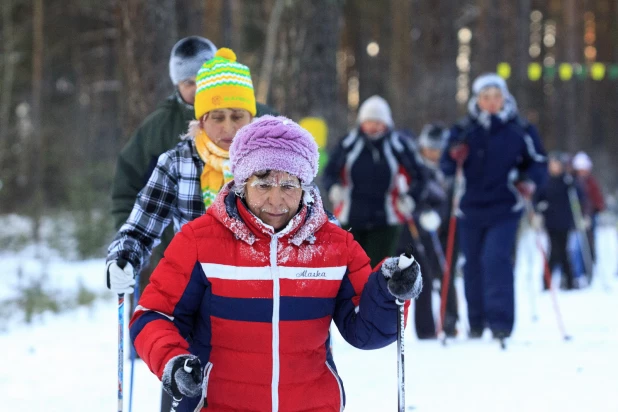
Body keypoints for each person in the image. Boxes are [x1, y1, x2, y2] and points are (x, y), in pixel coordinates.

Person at [129, 115, 423, 412]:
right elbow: (153, 315)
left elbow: (366, 330)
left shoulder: (334, 246)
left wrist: (389, 292)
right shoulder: (200, 241)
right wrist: (173, 361)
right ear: (243, 182)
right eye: (264, 183)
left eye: (289, 185)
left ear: (304, 186)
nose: (276, 200)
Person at [111, 37, 278, 295]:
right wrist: (125, 254)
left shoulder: (270, 146)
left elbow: (310, 215)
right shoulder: (166, 142)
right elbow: (138, 211)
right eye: (189, 82)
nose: (228, 127)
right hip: (189, 272)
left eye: (237, 116)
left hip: (259, 284)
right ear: (200, 120)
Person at [441, 73, 548, 340]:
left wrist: (528, 181)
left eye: (496, 97)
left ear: (505, 98)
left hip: (505, 206)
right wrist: (454, 156)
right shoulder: (464, 129)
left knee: (496, 260)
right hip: (470, 208)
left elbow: (538, 162)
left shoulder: (519, 128)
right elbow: (445, 164)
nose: (491, 103)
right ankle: (476, 322)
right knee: (473, 265)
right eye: (485, 97)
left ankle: (500, 322)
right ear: (477, 100)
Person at [323, 95, 427, 267]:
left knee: (377, 270)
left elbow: (420, 176)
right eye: (369, 122)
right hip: (351, 217)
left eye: (378, 122)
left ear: (387, 123)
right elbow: (329, 172)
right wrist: (333, 188)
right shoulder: (348, 143)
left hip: (386, 220)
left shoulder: (399, 146)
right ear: (361, 122)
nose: (373, 127)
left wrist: (411, 198)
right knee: (350, 269)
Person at [397, 123, 460, 338]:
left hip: (442, 228)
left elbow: (445, 199)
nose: (433, 153)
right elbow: (415, 197)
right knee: (424, 274)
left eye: (437, 149)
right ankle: (426, 329)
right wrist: (420, 212)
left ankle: (450, 321)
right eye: (429, 148)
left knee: (445, 272)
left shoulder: (446, 169)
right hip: (419, 229)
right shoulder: (415, 167)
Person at [535, 152, 583, 290]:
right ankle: (549, 282)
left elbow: (578, 196)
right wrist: (539, 209)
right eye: (552, 165)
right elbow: (538, 198)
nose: (554, 167)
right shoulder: (546, 181)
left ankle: (568, 281)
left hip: (564, 222)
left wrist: (572, 184)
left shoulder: (567, 181)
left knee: (563, 251)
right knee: (555, 251)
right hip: (551, 222)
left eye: (556, 165)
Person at [571, 151, 605, 283]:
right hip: (577, 217)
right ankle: (577, 272)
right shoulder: (573, 182)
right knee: (577, 246)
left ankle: (589, 270)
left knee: (589, 243)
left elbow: (597, 200)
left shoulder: (591, 182)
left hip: (590, 217)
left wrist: (598, 208)